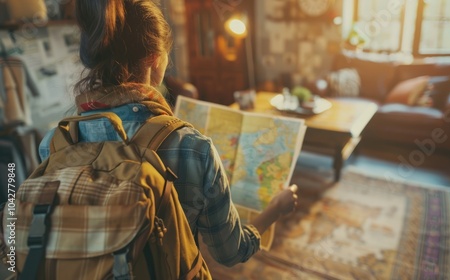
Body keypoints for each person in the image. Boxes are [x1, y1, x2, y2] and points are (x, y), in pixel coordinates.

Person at [38, 0, 298, 274]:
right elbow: (230, 251)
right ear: (155, 59)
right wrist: (274, 211)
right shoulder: (193, 148)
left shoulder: (54, 143)